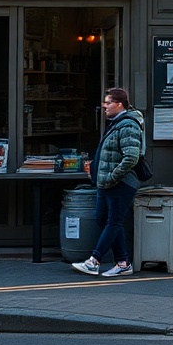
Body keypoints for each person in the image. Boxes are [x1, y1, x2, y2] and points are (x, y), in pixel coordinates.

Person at [72, 87, 144, 277]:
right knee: (103, 219)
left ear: (119, 104)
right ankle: (123, 262)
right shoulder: (116, 123)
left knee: (113, 221)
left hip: (120, 183)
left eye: (108, 102)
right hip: (106, 183)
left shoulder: (129, 124)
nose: (104, 106)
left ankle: (94, 261)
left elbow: (131, 157)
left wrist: (112, 176)